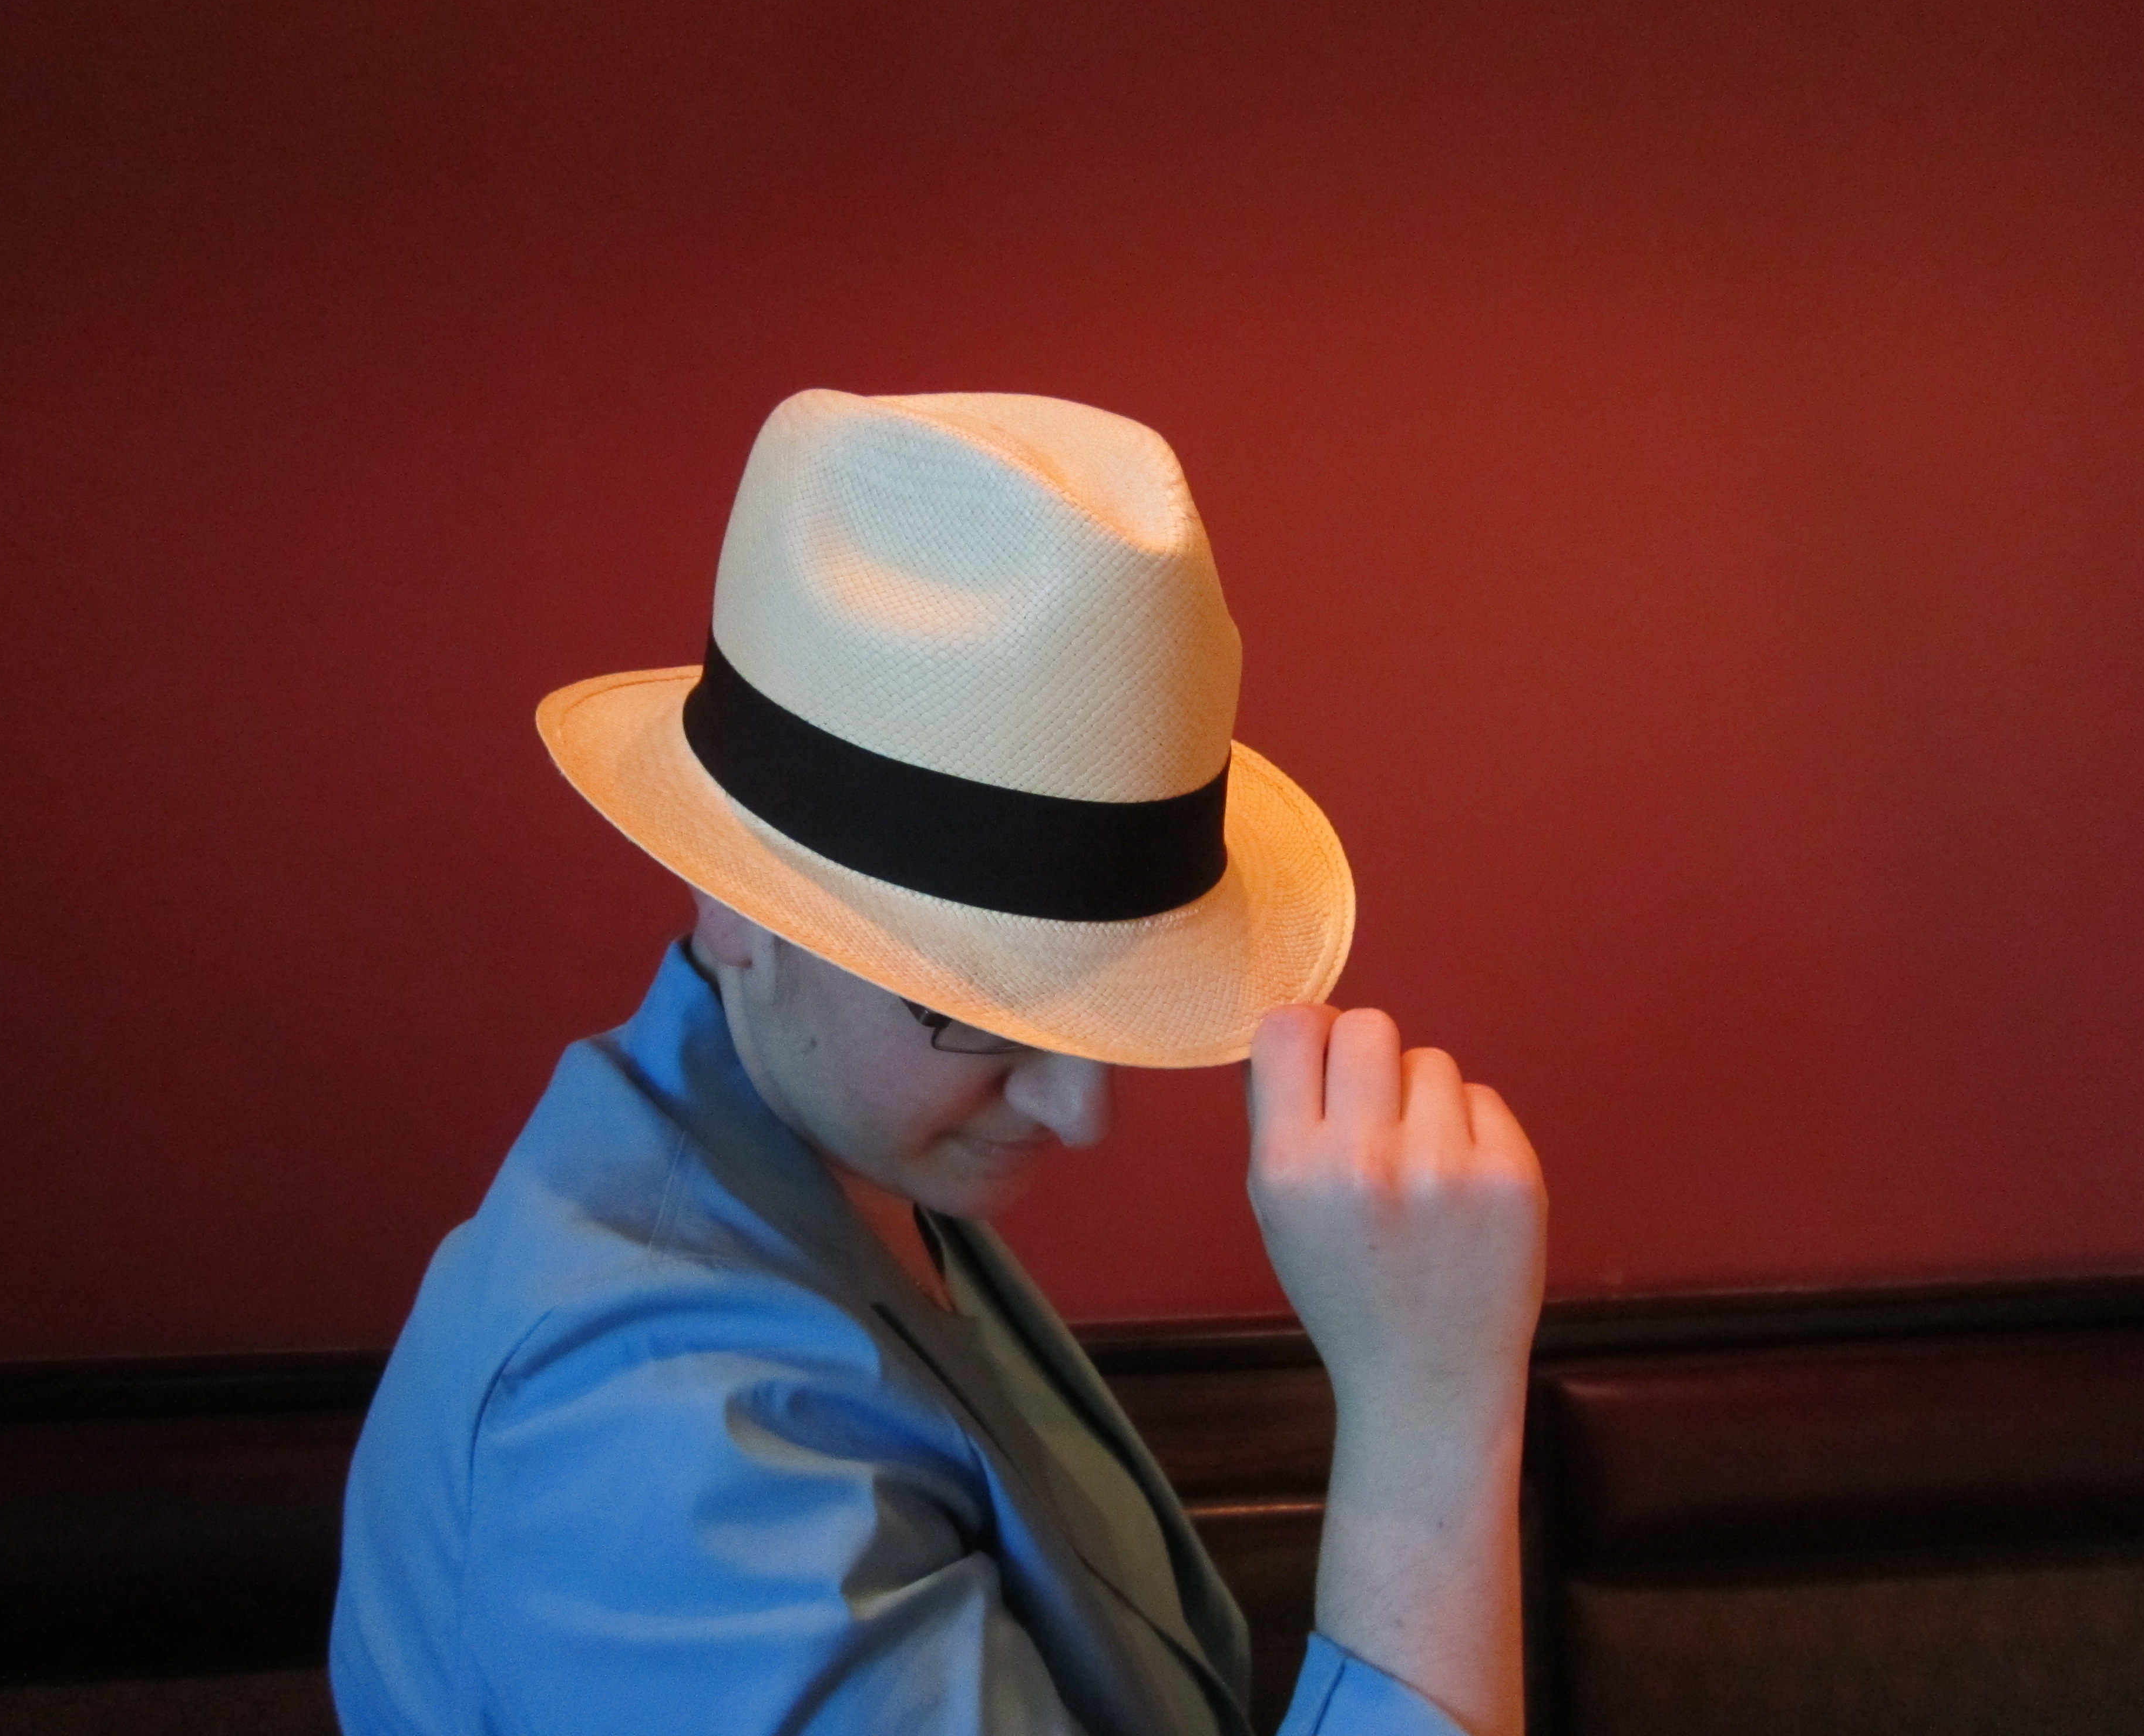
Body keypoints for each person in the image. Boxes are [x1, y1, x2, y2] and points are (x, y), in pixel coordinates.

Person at [330, 390, 1547, 1736]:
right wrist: (1430, 1420)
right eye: (976, 1004)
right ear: (735, 902)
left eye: (1107, 1014)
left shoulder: (841, 1170)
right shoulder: (658, 1437)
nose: (1080, 1111)